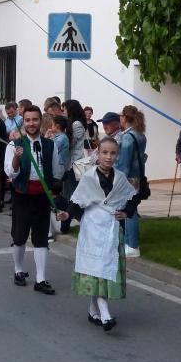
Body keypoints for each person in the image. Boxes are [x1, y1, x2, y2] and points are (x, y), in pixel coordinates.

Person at [62, 137, 137, 330]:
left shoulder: (120, 177)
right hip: (92, 228)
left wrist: (126, 212)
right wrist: (67, 213)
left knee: (104, 269)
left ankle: (93, 311)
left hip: (111, 228)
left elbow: (131, 198)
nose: (108, 157)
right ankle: (105, 314)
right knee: (96, 269)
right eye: (105, 152)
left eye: (113, 153)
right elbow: (78, 201)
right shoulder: (89, 177)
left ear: (117, 155)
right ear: (98, 153)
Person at [4, 105, 64, 296]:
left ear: (41, 121)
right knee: (19, 236)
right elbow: (10, 173)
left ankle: (40, 278)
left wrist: (54, 191)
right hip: (22, 195)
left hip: (41, 197)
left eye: (35, 119)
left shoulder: (50, 145)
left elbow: (56, 171)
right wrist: (16, 158)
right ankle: (18, 270)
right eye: (28, 120)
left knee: (41, 238)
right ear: (24, 121)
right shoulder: (14, 145)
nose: (31, 123)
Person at [116, 105, 146, 257]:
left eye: (120, 115)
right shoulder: (140, 135)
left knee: (129, 211)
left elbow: (124, 162)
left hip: (128, 178)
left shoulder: (127, 137)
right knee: (130, 209)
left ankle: (132, 244)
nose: (119, 118)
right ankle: (129, 243)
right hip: (137, 177)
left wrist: (117, 178)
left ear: (126, 118)